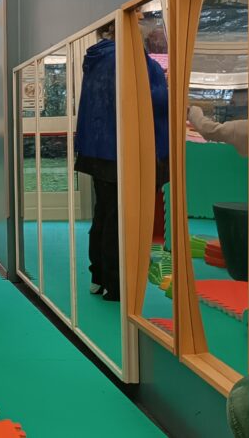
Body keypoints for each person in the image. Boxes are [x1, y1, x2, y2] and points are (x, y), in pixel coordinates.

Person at [74, 21, 170, 302]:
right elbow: (149, 102)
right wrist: (172, 89)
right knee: (122, 219)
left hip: (98, 150)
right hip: (128, 151)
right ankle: (117, 285)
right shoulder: (134, 61)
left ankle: (99, 276)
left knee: (103, 214)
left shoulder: (97, 59)